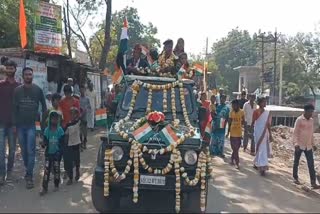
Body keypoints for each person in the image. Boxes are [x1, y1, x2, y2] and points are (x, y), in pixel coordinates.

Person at [13, 67, 47, 189]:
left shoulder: (38, 90)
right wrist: (14, 125)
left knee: (31, 150)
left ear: (32, 76)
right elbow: (14, 109)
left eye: (30, 74)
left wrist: (43, 123)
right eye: (26, 74)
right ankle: (29, 167)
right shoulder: (17, 91)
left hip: (32, 126)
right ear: (23, 76)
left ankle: (29, 176)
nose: (28, 76)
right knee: (24, 151)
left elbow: (44, 106)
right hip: (20, 126)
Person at [0, 60, 20, 185]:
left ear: (15, 69)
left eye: (11, 68)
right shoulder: (0, 85)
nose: (9, 70)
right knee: (1, 151)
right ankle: (1, 175)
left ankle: (10, 171)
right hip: (0, 123)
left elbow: (20, 106)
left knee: (12, 150)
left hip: (13, 124)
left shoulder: (19, 87)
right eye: (7, 68)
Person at [292, 104, 320, 189]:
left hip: (308, 146)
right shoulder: (299, 120)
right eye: (310, 112)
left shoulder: (311, 121)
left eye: (312, 112)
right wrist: (295, 144)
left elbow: (311, 134)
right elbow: (295, 133)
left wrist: (313, 144)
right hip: (299, 145)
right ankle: (295, 178)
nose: (311, 114)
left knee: (311, 164)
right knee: (296, 162)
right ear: (305, 111)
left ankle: (313, 182)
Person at [39, 111, 65, 196]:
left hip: (57, 154)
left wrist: (60, 153)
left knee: (57, 170)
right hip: (48, 154)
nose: (55, 120)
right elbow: (45, 142)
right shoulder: (47, 130)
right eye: (53, 118)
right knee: (46, 171)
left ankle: (56, 185)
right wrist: (42, 144)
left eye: (56, 118)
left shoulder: (60, 130)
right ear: (50, 119)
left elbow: (62, 143)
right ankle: (44, 188)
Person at [59, 85, 80, 179]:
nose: (68, 95)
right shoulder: (61, 102)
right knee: (66, 152)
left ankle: (76, 169)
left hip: (74, 128)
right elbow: (60, 114)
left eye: (69, 93)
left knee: (75, 152)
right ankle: (67, 170)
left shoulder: (76, 101)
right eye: (66, 93)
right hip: (64, 128)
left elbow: (78, 114)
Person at [252, 96, 273, 176]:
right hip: (258, 132)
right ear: (259, 103)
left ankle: (262, 166)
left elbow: (268, 124)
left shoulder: (267, 113)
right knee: (259, 148)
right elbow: (253, 122)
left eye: (265, 102)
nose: (265, 103)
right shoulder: (256, 112)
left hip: (265, 133)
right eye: (263, 102)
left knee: (262, 149)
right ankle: (259, 163)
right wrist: (250, 131)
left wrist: (270, 134)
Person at [64, 107, 81, 185]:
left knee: (77, 160)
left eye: (74, 113)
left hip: (76, 143)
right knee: (70, 161)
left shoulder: (79, 122)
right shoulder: (68, 124)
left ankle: (77, 171)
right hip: (70, 144)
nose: (73, 115)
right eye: (71, 113)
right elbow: (65, 134)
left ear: (77, 115)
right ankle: (70, 178)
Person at [226, 99, 245, 169]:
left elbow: (244, 121)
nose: (233, 107)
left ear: (238, 105)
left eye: (234, 105)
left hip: (239, 133)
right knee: (235, 149)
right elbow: (229, 123)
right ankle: (237, 163)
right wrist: (228, 132)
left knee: (236, 148)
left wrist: (245, 129)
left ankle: (232, 159)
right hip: (232, 133)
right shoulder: (231, 112)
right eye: (232, 105)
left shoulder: (242, 112)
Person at [80, 85, 91, 150]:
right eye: (81, 90)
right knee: (80, 131)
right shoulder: (78, 98)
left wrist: (86, 109)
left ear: (84, 90)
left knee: (85, 131)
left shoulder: (87, 99)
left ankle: (84, 142)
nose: (82, 91)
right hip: (79, 117)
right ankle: (81, 144)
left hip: (85, 117)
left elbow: (89, 107)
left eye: (83, 90)